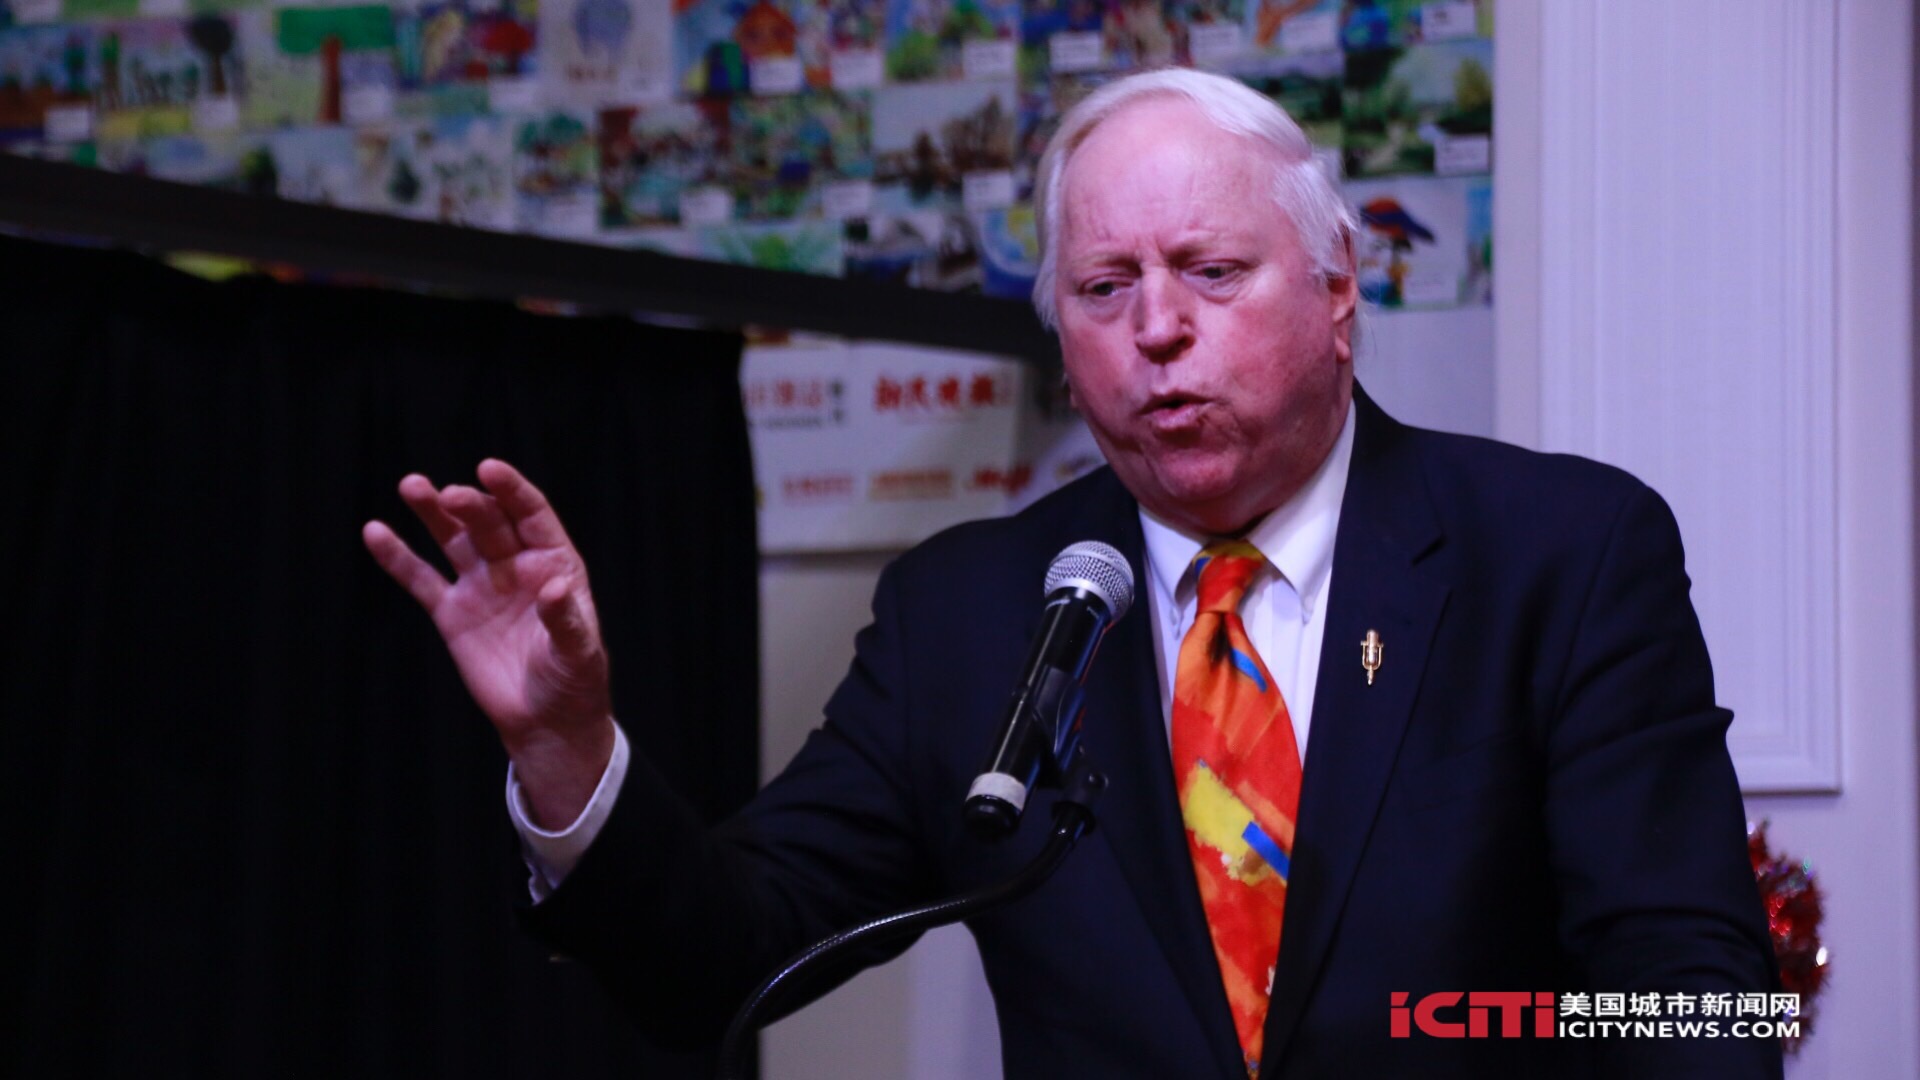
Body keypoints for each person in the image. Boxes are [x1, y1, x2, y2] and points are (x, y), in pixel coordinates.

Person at [364, 68, 1781, 1078]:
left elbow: (1701, 1007)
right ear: (1062, 333)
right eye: (1105, 289)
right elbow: (724, 958)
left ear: (1338, 288)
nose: (1157, 329)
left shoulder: (1560, 554)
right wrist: (567, 748)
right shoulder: (969, 614)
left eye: (1211, 272)